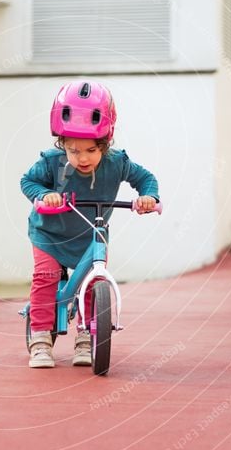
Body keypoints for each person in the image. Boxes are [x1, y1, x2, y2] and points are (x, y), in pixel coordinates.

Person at [20, 80, 160, 369]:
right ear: (62, 145)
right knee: (46, 276)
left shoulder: (117, 163)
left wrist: (148, 196)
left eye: (90, 150)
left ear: (105, 143)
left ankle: (86, 336)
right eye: (73, 150)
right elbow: (28, 181)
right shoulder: (52, 162)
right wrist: (45, 195)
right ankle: (41, 337)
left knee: (93, 281)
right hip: (49, 234)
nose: (82, 158)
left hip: (91, 234)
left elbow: (145, 179)